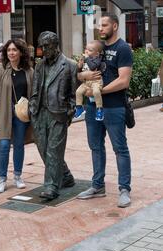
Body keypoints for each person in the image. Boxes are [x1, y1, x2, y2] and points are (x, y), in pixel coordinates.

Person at [76, 13, 133, 208]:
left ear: (115, 26)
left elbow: (124, 80)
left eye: (105, 25)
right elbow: (80, 72)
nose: (100, 28)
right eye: (99, 25)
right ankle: (97, 186)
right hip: (92, 107)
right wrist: (85, 75)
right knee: (95, 147)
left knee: (120, 148)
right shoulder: (94, 48)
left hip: (114, 106)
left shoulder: (123, 48)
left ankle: (124, 189)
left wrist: (99, 91)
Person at [28, 31, 77, 200]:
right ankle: (66, 176)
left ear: (56, 46)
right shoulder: (40, 65)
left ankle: (51, 186)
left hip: (59, 113)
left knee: (54, 150)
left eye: (47, 46)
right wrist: (32, 108)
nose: (43, 50)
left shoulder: (70, 65)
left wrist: (70, 111)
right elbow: (35, 89)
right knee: (44, 149)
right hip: (40, 113)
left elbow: (73, 93)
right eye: (42, 46)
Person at [0, 39, 34, 193]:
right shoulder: (0, 71)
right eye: (8, 50)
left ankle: (18, 176)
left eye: (14, 50)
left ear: (21, 52)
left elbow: (34, 94)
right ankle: (1, 178)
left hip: (22, 115)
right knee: (4, 146)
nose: (11, 53)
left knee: (19, 145)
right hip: (5, 114)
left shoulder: (29, 71)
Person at [75, 40, 106, 121]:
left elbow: (92, 67)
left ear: (97, 53)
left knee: (96, 92)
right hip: (86, 82)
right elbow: (80, 71)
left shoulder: (97, 59)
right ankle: (79, 108)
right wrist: (79, 66)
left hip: (96, 81)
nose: (87, 51)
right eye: (86, 49)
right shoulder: (86, 59)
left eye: (90, 50)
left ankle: (99, 109)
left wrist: (87, 58)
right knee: (78, 91)